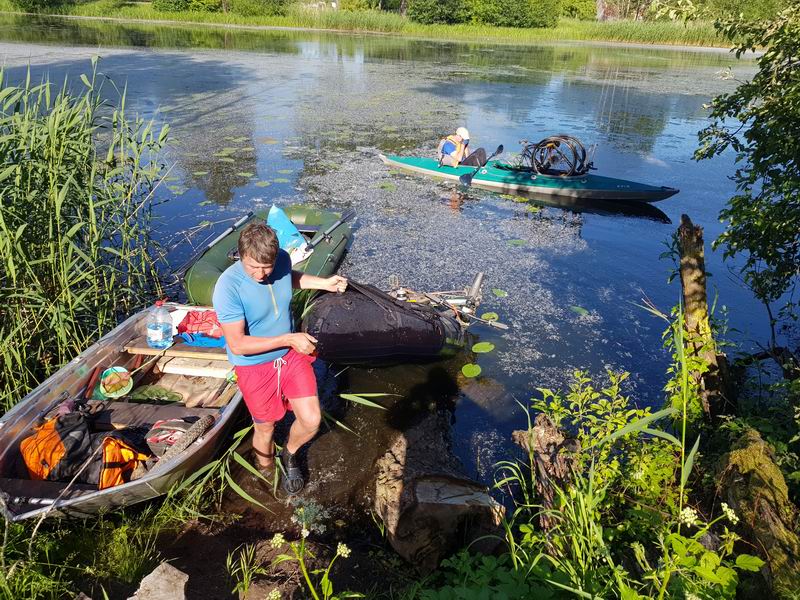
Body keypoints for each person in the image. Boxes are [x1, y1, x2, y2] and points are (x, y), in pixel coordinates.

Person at [213, 221, 347, 495]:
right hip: (255, 365)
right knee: (265, 428)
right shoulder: (228, 287)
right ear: (241, 256)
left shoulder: (281, 261)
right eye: (254, 267)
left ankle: (289, 453)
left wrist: (325, 283)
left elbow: (289, 276)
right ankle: (266, 471)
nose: (262, 274)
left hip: (290, 356)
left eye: (267, 267)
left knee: (311, 420)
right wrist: (288, 338)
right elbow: (237, 345)